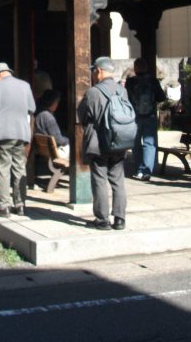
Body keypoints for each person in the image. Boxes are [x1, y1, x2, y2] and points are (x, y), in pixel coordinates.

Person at [78, 56, 130, 231]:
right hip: (119, 141)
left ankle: (102, 220)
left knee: (99, 180)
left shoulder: (93, 92)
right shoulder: (122, 91)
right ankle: (120, 219)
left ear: (98, 71)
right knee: (118, 180)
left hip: (98, 144)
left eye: (94, 71)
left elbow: (82, 116)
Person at [0, 62, 35, 218]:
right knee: (19, 168)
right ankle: (20, 205)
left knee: (3, 169)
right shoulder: (25, 86)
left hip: (2, 132)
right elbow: (32, 108)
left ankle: (3, 206)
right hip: (21, 132)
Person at [125, 58, 165, 181]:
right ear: (146, 68)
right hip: (150, 116)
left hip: (134, 117)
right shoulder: (153, 81)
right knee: (149, 143)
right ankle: (147, 170)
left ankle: (138, 169)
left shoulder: (130, 82)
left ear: (135, 68)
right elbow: (161, 97)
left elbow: (125, 98)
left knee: (136, 144)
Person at [34, 89, 69, 160]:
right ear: (52, 102)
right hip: (53, 152)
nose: (57, 104)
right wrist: (70, 140)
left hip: (44, 151)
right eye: (57, 102)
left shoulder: (38, 114)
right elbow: (59, 140)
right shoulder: (48, 117)